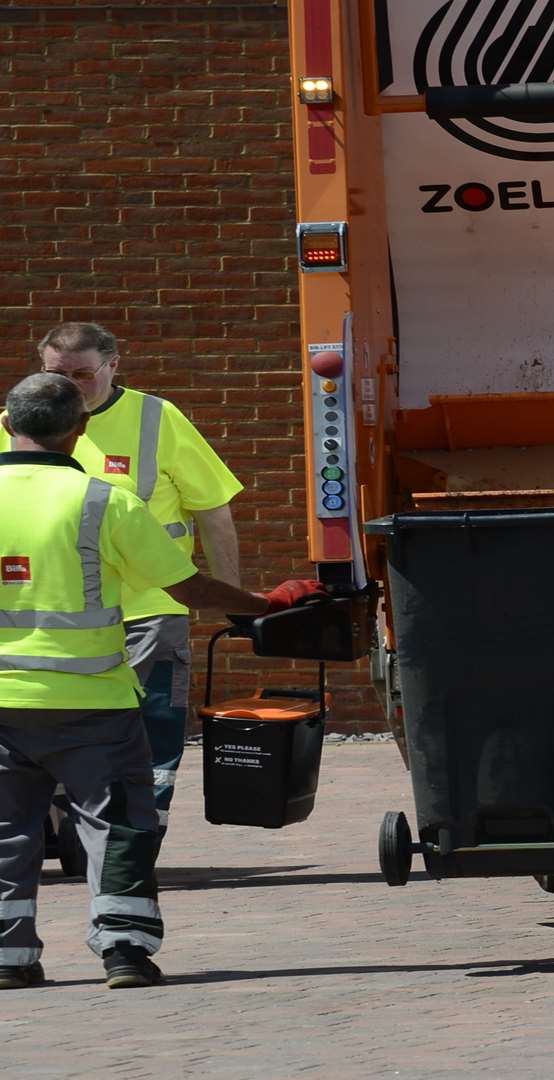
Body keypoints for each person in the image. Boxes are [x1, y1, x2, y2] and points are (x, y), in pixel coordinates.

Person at [0, 374, 324, 990]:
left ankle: (7, 959)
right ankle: (123, 950)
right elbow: (185, 585)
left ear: (9, 423)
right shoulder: (105, 502)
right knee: (118, 824)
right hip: (91, 703)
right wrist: (260, 604)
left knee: (6, 831)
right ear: (82, 428)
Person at [35, 323, 245, 843]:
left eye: (83, 374)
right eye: (56, 374)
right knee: (61, 724)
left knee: (151, 724)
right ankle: (73, 836)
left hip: (152, 604)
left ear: (114, 365)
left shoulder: (156, 418)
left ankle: (138, 841)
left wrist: (232, 598)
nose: (71, 386)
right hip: (54, 614)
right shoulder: (20, 420)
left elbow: (213, 511)